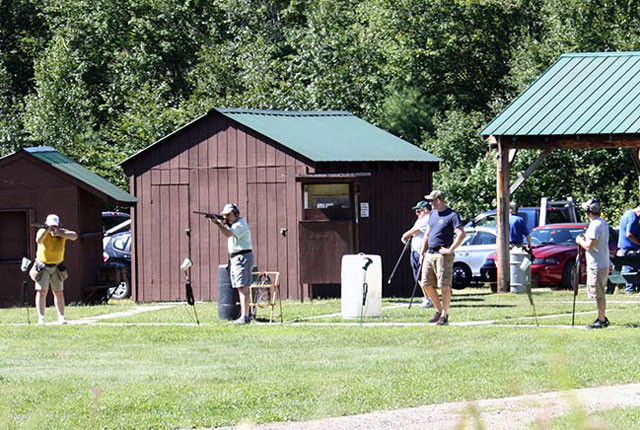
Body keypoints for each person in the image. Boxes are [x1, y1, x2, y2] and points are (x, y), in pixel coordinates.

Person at [419, 190, 465, 325]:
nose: (430, 203)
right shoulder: (432, 214)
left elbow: (461, 234)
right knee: (426, 284)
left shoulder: (452, 215)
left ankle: (445, 315)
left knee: (444, 285)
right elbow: (428, 234)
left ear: (438, 201)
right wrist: (423, 252)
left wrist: (450, 250)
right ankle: (438, 311)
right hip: (429, 254)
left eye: (431, 200)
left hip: (442, 255)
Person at [211, 203, 255, 324]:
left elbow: (228, 234)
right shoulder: (235, 224)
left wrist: (218, 224)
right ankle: (244, 315)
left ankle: (245, 316)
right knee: (239, 287)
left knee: (243, 287)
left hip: (242, 256)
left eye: (229, 215)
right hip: (237, 257)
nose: (227, 217)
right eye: (225, 215)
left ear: (235, 214)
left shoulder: (240, 224)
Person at [30, 214, 77, 325]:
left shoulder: (62, 232)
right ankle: (41, 318)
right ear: (46, 224)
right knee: (42, 291)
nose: (53, 228)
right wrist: (47, 231)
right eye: (52, 226)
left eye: (55, 226)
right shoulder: (42, 231)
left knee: (58, 292)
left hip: (57, 266)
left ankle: (61, 317)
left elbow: (74, 236)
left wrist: (59, 233)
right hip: (43, 266)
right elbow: (38, 240)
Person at [576, 199, 610, 329]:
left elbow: (589, 246)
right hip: (603, 262)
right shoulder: (602, 223)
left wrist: (579, 240)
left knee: (598, 293)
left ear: (587, 212)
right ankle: (601, 316)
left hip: (596, 264)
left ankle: (601, 320)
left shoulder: (595, 225)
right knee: (599, 291)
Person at [401, 200, 433, 309]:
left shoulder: (427, 219)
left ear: (425, 210)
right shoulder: (421, 219)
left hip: (421, 252)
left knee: (422, 276)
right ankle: (427, 297)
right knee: (418, 277)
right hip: (415, 250)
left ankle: (429, 299)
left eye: (418, 211)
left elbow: (415, 230)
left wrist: (405, 235)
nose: (416, 213)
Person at [617, 205, 640, 293]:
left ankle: (631, 288)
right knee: (631, 266)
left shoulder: (627, 213)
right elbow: (629, 234)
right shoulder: (633, 218)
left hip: (624, 249)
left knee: (628, 267)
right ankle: (630, 289)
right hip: (630, 250)